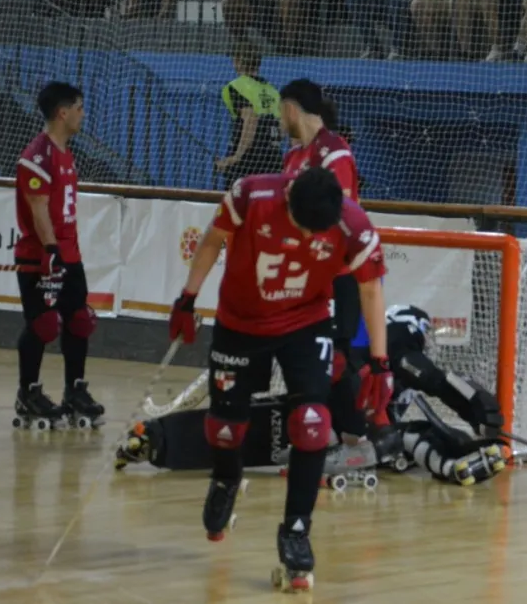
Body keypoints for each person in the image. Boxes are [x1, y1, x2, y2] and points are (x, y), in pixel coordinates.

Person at [167, 167, 390, 592]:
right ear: (288, 199)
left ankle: (296, 530)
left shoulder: (353, 225)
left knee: (312, 424)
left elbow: (370, 289)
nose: (308, 238)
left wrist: (380, 362)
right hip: (240, 322)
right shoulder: (250, 196)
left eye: (316, 232)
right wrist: (187, 298)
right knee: (226, 429)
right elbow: (212, 240)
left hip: (305, 324)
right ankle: (226, 478)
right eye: (302, 227)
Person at [117, 305, 507, 487]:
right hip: (352, 421)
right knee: (410, 434)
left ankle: (154, 436)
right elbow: (437, 380)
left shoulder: (366, 334)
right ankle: (456, 466)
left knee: (249, 417)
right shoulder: (398, 342)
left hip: (314, 400)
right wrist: (479, 411)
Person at [279, 80, 370, 440]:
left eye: (280, 112)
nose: (279, 120)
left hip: (336, 276)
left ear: (291, 109)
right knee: (302, 355)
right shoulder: (292, 157)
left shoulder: (335, 153)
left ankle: (357, 434)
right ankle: (316, 429)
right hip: (303, 277)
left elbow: (340, 217)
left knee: (337, 358)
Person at [12, 82, 105, 431]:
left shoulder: (66, 152)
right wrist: (51, 251)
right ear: (63, 113)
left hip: (69, 253)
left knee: (79, 320)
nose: (83, 114)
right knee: (44, 324)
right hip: (41, 255)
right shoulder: (37, 156)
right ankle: (28, 392)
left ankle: (74, 390)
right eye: (79, 108)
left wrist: (66, 253)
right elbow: (38, 209)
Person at [215, 42, 283, 186]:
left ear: (238, 61)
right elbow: (282, 129)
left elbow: (251, 119)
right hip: (273, 161)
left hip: (248, 162)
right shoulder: (272, 90)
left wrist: (236, 157)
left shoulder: (237, 87)